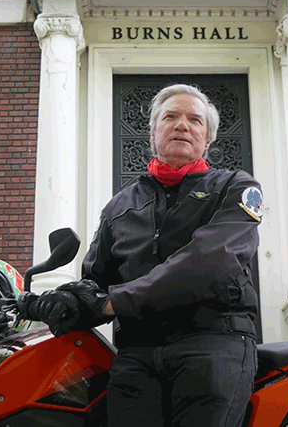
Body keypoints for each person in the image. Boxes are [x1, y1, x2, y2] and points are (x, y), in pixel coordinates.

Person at [29, 84, 263, 427]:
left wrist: (113, 303)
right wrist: (64, 300)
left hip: (214, 343)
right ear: (153, 133)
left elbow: (209, 262)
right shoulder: (119, 205)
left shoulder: (236, 187)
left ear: (207, 139)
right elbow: (96, 282)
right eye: (170, 117)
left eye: (194, 120)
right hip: (137, 353)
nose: (182, 125)